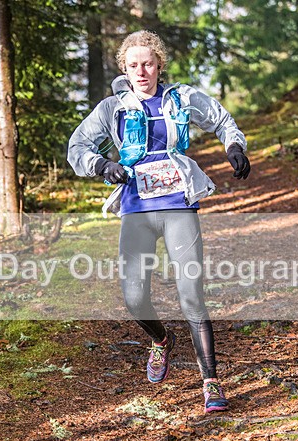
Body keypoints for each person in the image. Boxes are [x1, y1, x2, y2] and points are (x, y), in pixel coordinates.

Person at [67, 30, 250, 413]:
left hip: (178, 204)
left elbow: (221, 119)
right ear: (124, 68)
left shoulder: (181, 97)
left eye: (148, 64)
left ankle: (211, 382)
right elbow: (77, 147)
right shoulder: (111, 108)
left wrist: (234, 146)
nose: (141, 71)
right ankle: (161, 340)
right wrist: (101, 165)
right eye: (133, 65)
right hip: (136, 208)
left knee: (191, 294)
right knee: (134, 298)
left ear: (159, 65)